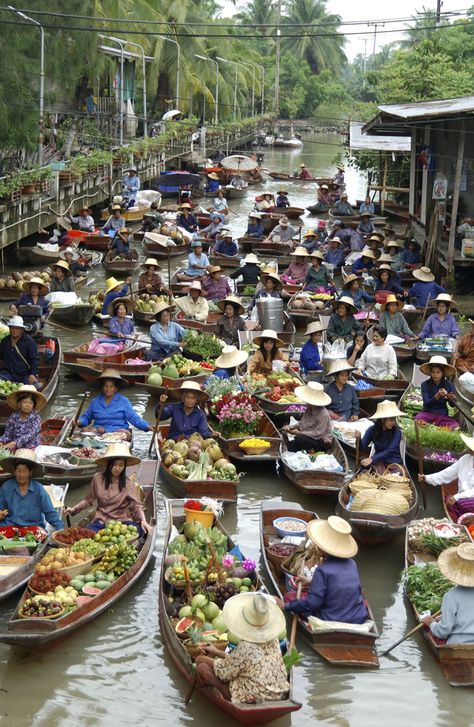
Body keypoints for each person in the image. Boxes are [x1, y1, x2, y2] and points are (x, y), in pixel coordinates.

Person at [195, 592, 289, 705]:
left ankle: (218, 698)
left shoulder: (246, 646)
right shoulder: (273, 639)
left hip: (252, 698)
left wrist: (208, 659)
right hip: (278, 694)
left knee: (201, 665)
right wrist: (216, 651)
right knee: (207, 663)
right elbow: (244, 661)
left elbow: (224, 674)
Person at [283, 516, 368, 624]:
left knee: (289, 597)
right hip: (357, 617)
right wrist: (310, 582)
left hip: (331, 619)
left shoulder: (322, 570)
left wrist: (287, 606)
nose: (317, 546)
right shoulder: (352, 563)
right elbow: (338, 586)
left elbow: (313, 603)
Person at [64, 443, 152, 534]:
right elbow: (88, 500)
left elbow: (137, 506)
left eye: (121, 465)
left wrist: (143, 521)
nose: (117, 468)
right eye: (114, 465)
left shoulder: (129, 484)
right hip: (101, 521)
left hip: (121, 522)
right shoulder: (97, 478)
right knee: (87, 534)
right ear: (109, 464)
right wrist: (73, 509)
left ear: (124, 467)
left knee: (140, 531)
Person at [422, 542, 474, 645]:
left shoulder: (451, 596)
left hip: (458, 645)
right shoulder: (452, 597)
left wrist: (431, 622)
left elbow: (443, 632)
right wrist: (442, 618)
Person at [0, 450, 63, 530]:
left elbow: (50, 513)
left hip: (32, 529)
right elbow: (1, 508)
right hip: (9, 527)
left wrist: (60, 529)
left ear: (31, 472)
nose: (21, 474)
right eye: (18, 471)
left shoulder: (38, 489)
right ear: (14, 471)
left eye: (25, 471)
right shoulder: (6, 487)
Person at [419, 433, 474, 521]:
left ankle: (466, 518)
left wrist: (457, 497)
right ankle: (465, 519)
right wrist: (427, 478)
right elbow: (447, 473)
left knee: (462, 504)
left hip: (467, 499)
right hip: (462, 498)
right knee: (450, 501)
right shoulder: (465, 459)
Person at [77, 369, 150, 436]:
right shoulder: (95, 401)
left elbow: (134, 418)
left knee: (126, 434)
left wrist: (147, 426)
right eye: (106, 386)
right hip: (98, 432)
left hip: (118, 432)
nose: (108, 389)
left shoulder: (124, 401)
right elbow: (86, 417)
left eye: (111, 387)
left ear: (116, 388)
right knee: (84, 430)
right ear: (103, 387)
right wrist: (79, 421)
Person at [283, 382, 332, 452]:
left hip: (320, 441)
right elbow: (301, 423)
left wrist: (299, 433)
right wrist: (291, 427)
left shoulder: (323, 414)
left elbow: (317, 434)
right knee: (291, 445)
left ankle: (310, 450)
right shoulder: (309, 408)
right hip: (307, 437)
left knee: (300, 439)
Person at [415, 355, 458, 429]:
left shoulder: (448, 385)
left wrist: (449, 398)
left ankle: (432, 426)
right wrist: (437, 396)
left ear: (442, 373)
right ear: (430, 372)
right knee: (417, 419)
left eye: (438, 372)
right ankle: (437, 427)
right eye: (433, 372)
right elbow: (426, 404)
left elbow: (452, 405)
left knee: (456, 425)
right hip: (428, 413)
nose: (435, 375)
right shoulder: (424, 384)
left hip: (442, 415)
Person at [359, 399, 403, 469]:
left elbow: (390, 450)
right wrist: (358, 438)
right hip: (378, 462)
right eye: (391, 420)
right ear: (382, 420)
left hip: (394, 463)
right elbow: (362, 447)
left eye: (394, 420)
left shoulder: (397, 432)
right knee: (363, 468)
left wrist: (372, 459)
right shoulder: (372, 429)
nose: (393, 423)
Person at [0, 385, 46, 451]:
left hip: (31, 447)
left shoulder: (36, 418)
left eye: (30, 403)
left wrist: (13, 444)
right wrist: (1, 441)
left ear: (33, 406)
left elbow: (29, 435)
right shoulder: (14, 416)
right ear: (19, 404)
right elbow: (8, 434)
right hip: (14, 447)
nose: (27, 405)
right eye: (25, 402)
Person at [0, 316, 39, 385]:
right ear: (9, 328)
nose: (14, 330)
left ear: (22, 330)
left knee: (32, 389)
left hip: (24, 375)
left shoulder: (29, 342)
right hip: (7, 374)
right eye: (12, 328)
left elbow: (34, 360)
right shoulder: (4, 341)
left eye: (17, 328)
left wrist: (33, 374)